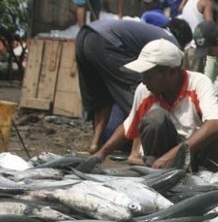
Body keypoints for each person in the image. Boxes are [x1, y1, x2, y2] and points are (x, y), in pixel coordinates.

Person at [93, 39, 218, 170]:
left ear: (172, 72)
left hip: (196, 153)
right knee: (155, 119)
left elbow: (215, 123)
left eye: (148, 76)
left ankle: (206, 175)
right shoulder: (144, 90)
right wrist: (101, 154)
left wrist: (174, 155)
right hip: (162, 157)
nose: (144, 81)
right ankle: (157, 172)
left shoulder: (199, 83)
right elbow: (129, 125)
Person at [75, 19, 192, 164]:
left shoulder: (152, 31)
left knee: (102, 96)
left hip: (85, 35)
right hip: (106, 41)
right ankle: (136, 153)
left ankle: (95, 143)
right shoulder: (169, 44)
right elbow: (139, 108)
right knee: (141, 97)